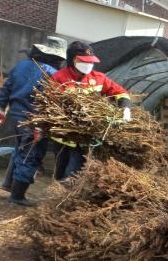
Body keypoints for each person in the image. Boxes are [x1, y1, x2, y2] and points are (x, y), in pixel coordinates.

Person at [0, 37, 66, 205]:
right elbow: (44, 102)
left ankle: (9, 184)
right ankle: (17, 196)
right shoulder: (51, 74)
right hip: (33, 121)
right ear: (56, 57)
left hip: (14, 117)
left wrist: (0, 108)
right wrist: (39, 125)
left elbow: (6, 88)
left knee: (19, 150)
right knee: (31, 155)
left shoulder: (21, 66)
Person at [50, 41, 132, 179]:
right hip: (62, 136)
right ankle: (59, 192)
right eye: (84, 61)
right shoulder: (59, 78)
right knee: (60, 172)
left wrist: (126, 108)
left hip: (85, 137)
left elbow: (120, 92)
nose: (88, 65)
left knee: (73, 174)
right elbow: (51, 104)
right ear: (73, 60)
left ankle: (67, 195)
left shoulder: (98, 78)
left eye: (90, 61)